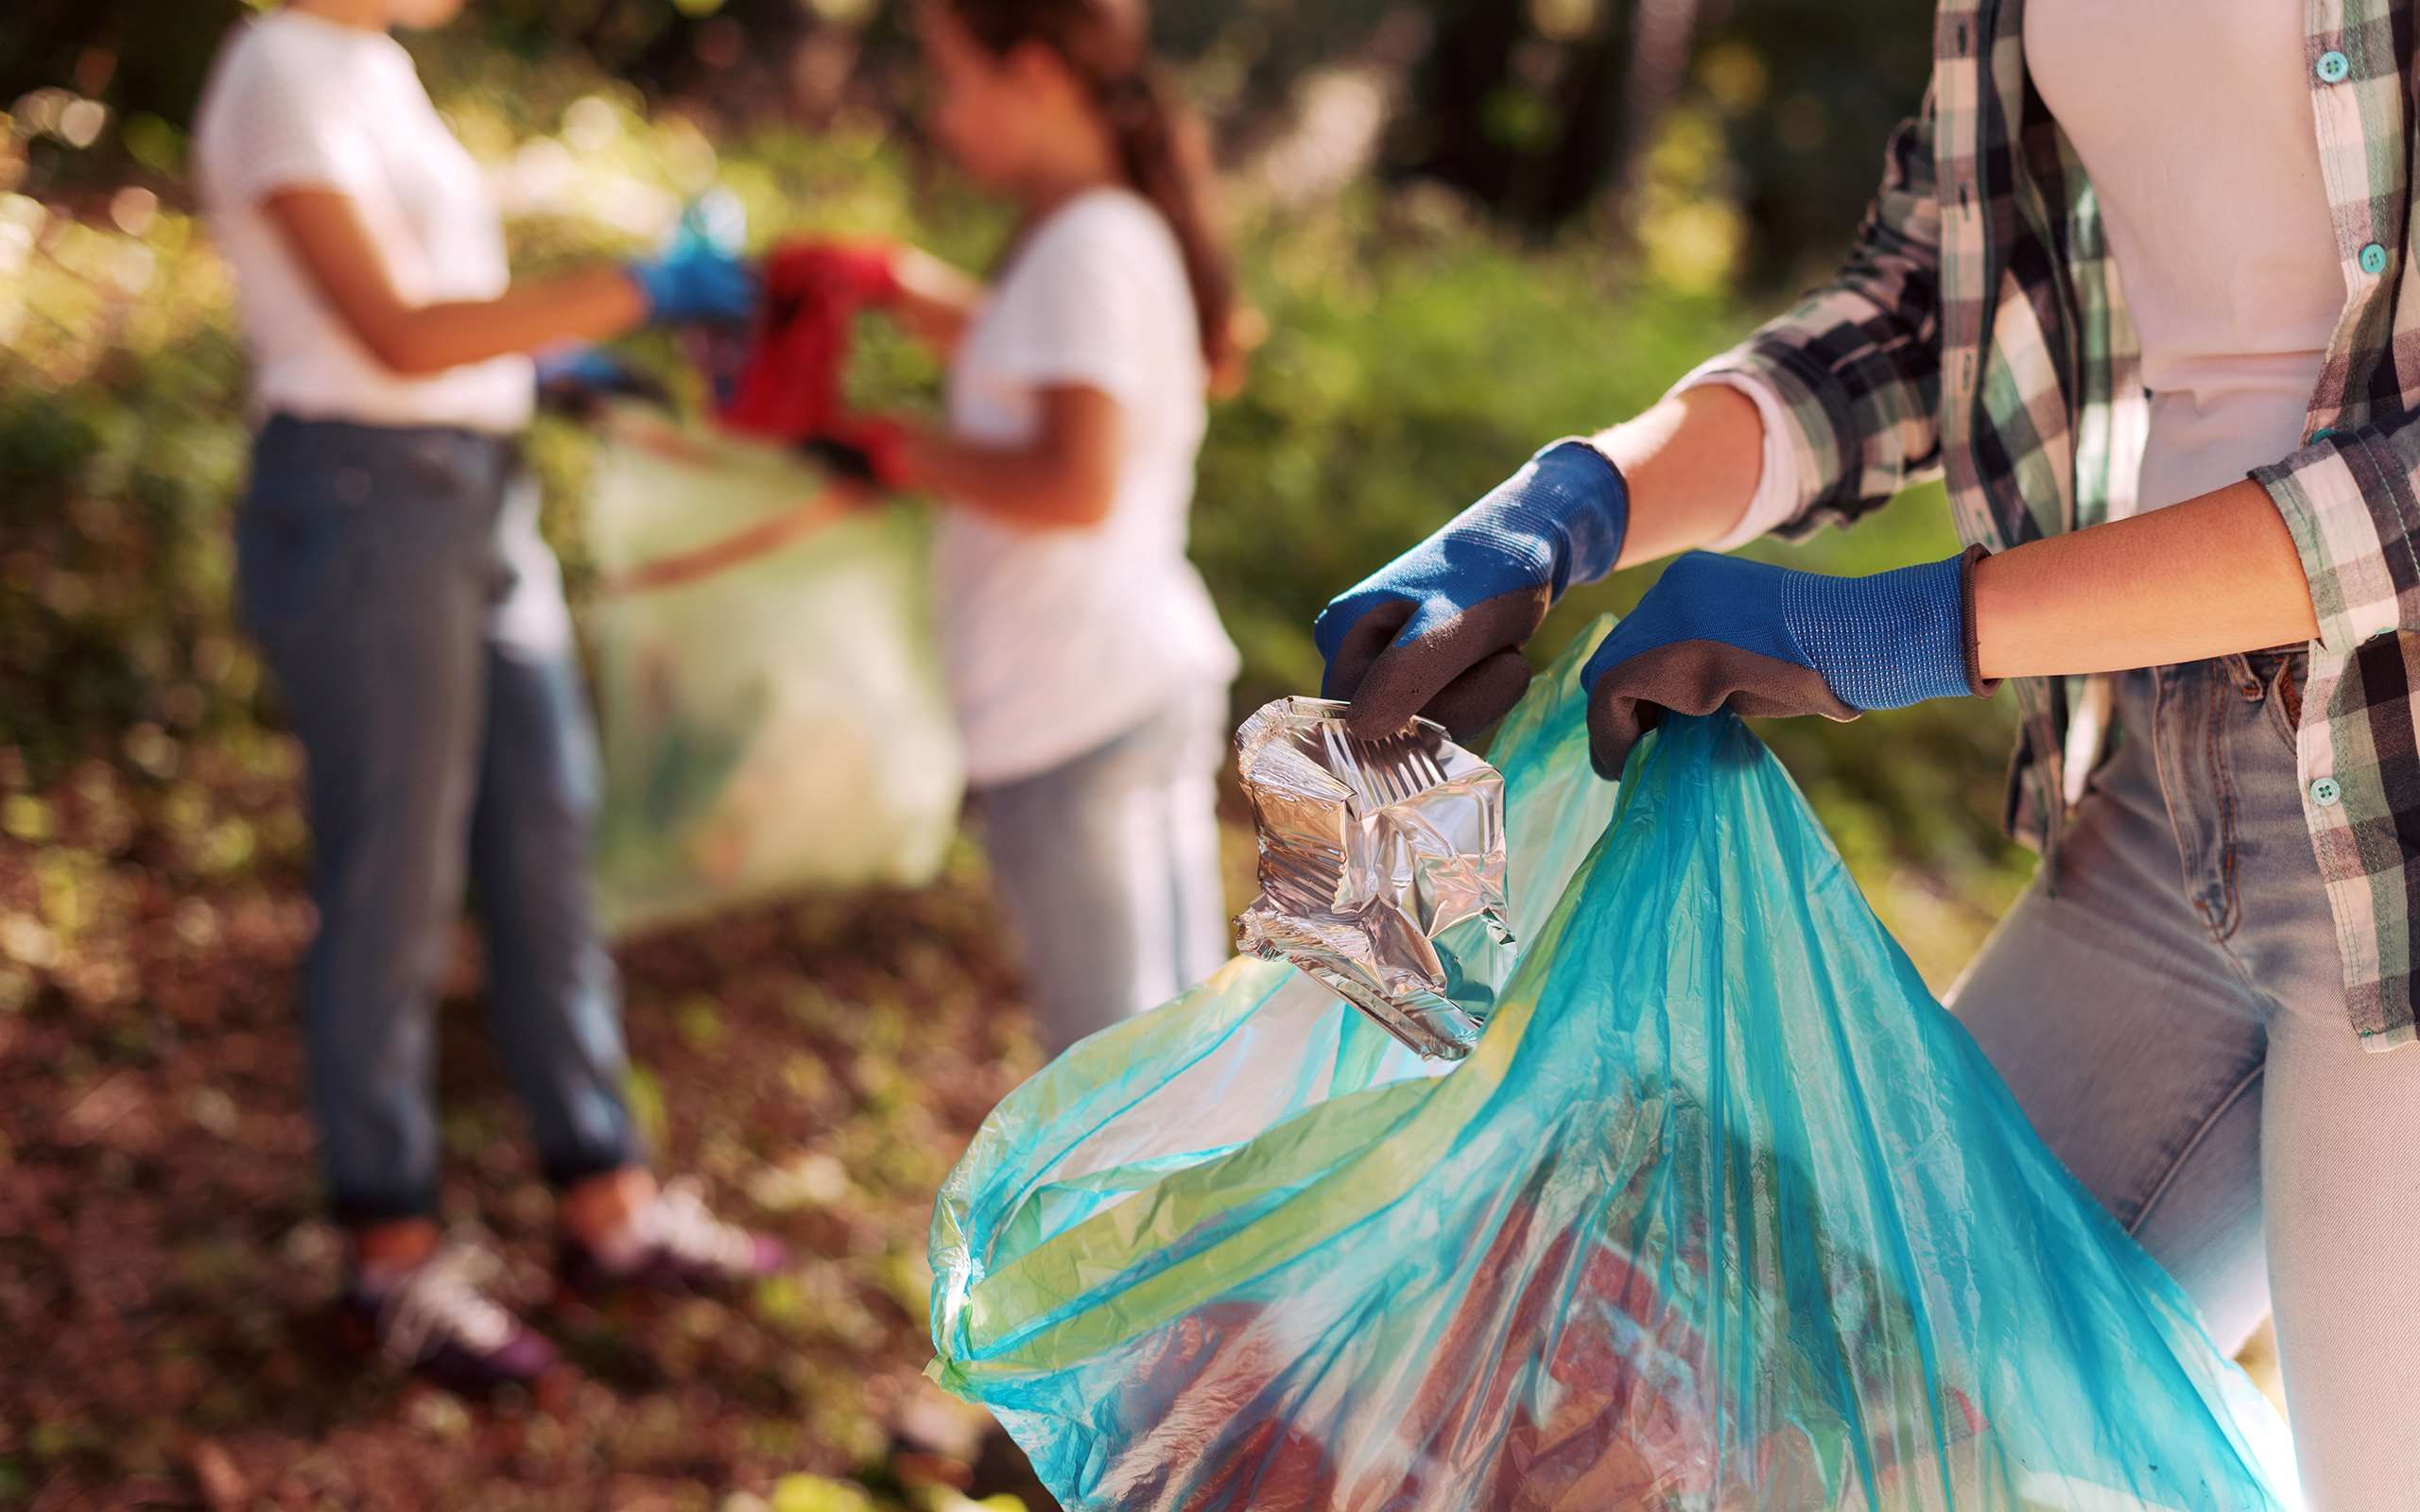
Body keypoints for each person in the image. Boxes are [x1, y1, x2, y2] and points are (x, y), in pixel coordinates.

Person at [1314, 6, 2419, 1507]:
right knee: (1834, 1425)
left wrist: (1917, 629)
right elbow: (1920, 306)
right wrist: (1565, 506)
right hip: (2185, 782)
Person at [191, 0, 781, 1396]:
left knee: (544, 855)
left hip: (476, 496)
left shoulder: (377, 67)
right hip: (362, 501)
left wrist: (547, 364)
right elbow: (390, 335)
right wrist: (641, 287)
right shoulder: (279, 63)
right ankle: (387, 1254)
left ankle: (604, 1206)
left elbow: (442, 324)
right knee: (393, 880)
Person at [817, 0, 1243, 1052]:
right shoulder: (1104, 228)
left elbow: (1073, 480)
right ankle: (1202, 1224)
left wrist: (882, 447)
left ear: (1039, 76)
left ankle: (1142, 1230)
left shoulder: (1088, 242)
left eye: (952, 77)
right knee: (1173, 1051)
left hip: (1073, 705)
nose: (940, 112)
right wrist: (905, 290)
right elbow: (1053, 359)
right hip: (1118, 676)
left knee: (1113, 1072)